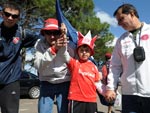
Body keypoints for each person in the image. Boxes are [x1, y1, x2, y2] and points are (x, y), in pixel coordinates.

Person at [105, 3, 150, 113]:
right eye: (118, 21)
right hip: (129, 95)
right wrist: (110, 88)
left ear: (132, 14)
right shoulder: (121, 40)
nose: (119, 24)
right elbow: (115, 66)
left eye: (121, 19)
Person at [0, 2, 39, 113]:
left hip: (10, 81)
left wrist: (59, 34)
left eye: (15, 16)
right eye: (7, 14)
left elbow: (43, 39)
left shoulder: (21, 33)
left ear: (18, 18)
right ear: (1, 14)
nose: (10, 18)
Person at [34, 18, 75, 113]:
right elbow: (38, 65)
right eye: (48, 32)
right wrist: (53, 50)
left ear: (60, 32)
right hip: (46, 82)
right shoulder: (39, 44)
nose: (52, 36)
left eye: (55, 32)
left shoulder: (70, 44)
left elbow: (76, 62)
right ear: (43, 33)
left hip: (65, 82)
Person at [60, 30, 102, 113]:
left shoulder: (94, 67)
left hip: (91, 100)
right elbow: (64, 54)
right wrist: (63, 38)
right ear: (77, 52)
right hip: (76, 99)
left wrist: (106, 92)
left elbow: (97, 83)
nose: (84, 52)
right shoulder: (74, 63)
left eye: (87, 50)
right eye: (81, 50)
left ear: (90, 52)